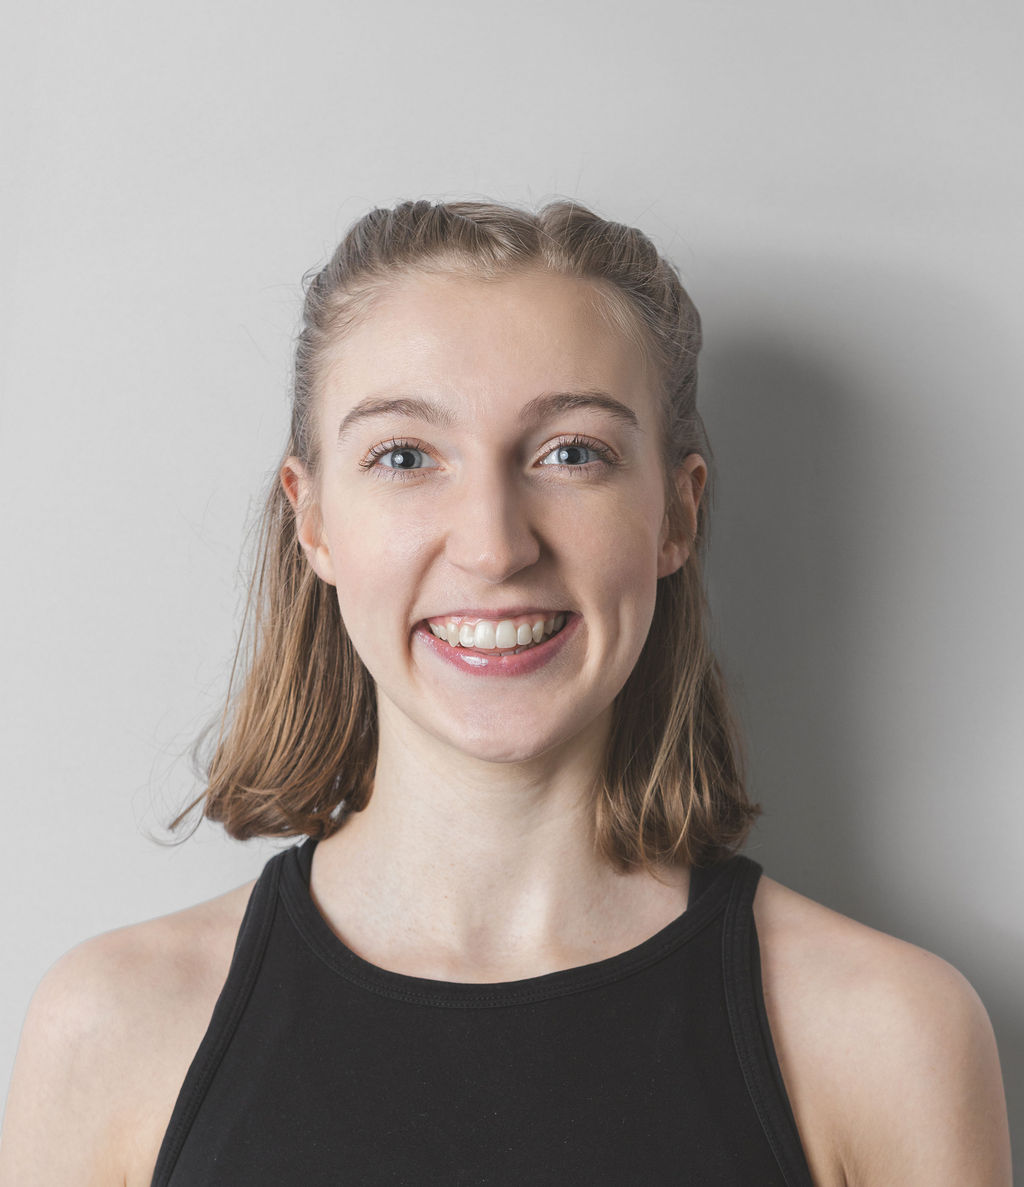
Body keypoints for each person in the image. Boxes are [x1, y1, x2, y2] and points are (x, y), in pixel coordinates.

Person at [0, 199, 1011, 1186]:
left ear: (675, 512)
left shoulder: (886, 1033)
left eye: (571, 453)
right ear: (313, 523)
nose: (494, 545)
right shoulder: (114, 1028)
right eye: (404, 455)